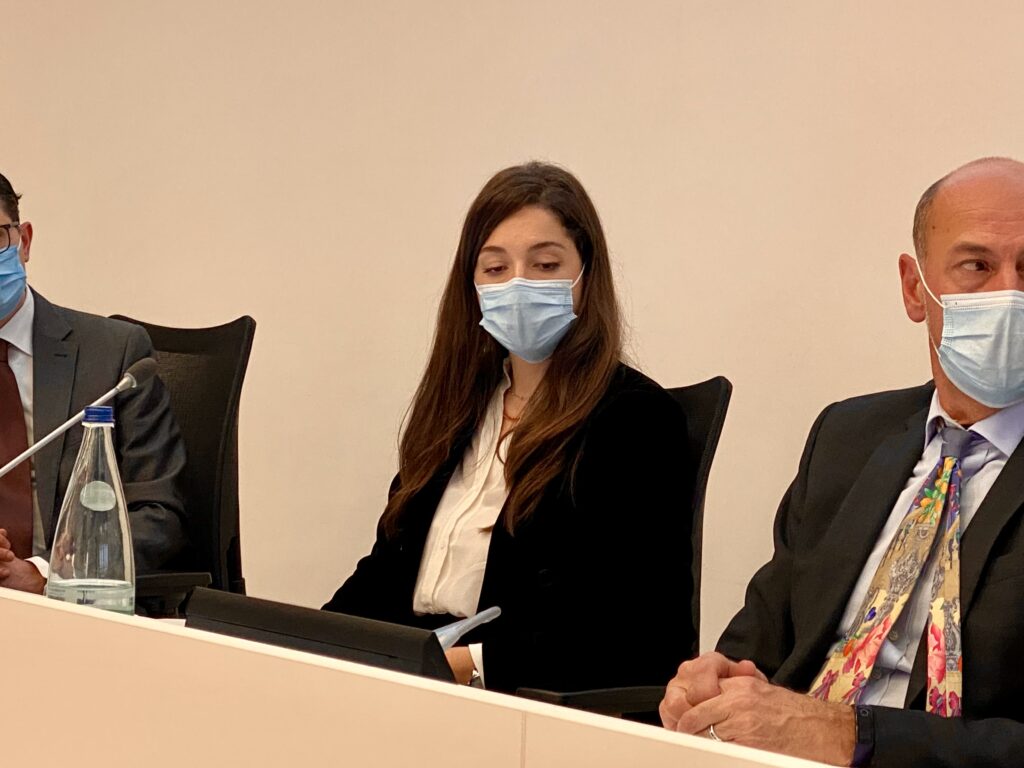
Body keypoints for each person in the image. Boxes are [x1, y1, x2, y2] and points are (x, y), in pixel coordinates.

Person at [660, 156, 1024, 767]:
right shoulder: (847, 437)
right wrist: (712, 684)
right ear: (915, 289)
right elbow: (758, 645)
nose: (1008, 293)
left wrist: (848, 734)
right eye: (976, 266)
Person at [324, 162, 696, 693]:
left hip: (517, 695)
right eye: (495, 268)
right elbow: (386, 569)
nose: (519, 284)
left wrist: (460, 666)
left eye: (545, 264)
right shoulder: (458, 410)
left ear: (586, 276)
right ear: (472, 285)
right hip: (416, 680)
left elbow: (622, 625)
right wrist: (308, 641)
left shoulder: (635, 418)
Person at [0, 171, 188, 594]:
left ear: (23, 241)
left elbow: (158, 515)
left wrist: (46, 574)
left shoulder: (114, 356)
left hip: (71, 604)